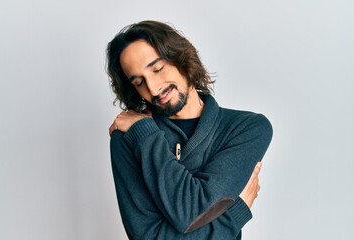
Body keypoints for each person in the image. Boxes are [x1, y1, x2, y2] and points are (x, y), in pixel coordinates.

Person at [106, 20, 273, 240]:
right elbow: (150, 236)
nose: (153, 88)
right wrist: (233, 216)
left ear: (181, 58)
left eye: (157, 69)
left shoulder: (247, 129)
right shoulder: (128, 139)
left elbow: (191, 212)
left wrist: (146, 136)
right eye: (139, 82)